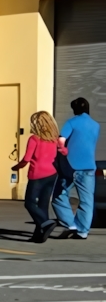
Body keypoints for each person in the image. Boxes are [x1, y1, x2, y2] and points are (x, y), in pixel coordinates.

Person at [54, 97, 100, 239]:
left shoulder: (71, 122)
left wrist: (63, 151)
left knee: (59, 195)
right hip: (89, 167)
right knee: (87, 200)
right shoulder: (96, 125)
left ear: (75, 109)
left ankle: (70, 223)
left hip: (71, 166)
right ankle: (82, 231)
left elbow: (60, 141)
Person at [12, 111, 62, 242]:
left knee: (29, 203)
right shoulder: (55, 139)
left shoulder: (34, 139)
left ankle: (46, 223)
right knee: (43, 204)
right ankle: (39, 235)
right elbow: (64, 152)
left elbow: (27, 158)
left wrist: (17, 167)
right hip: (52, 173)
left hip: (37, 175)